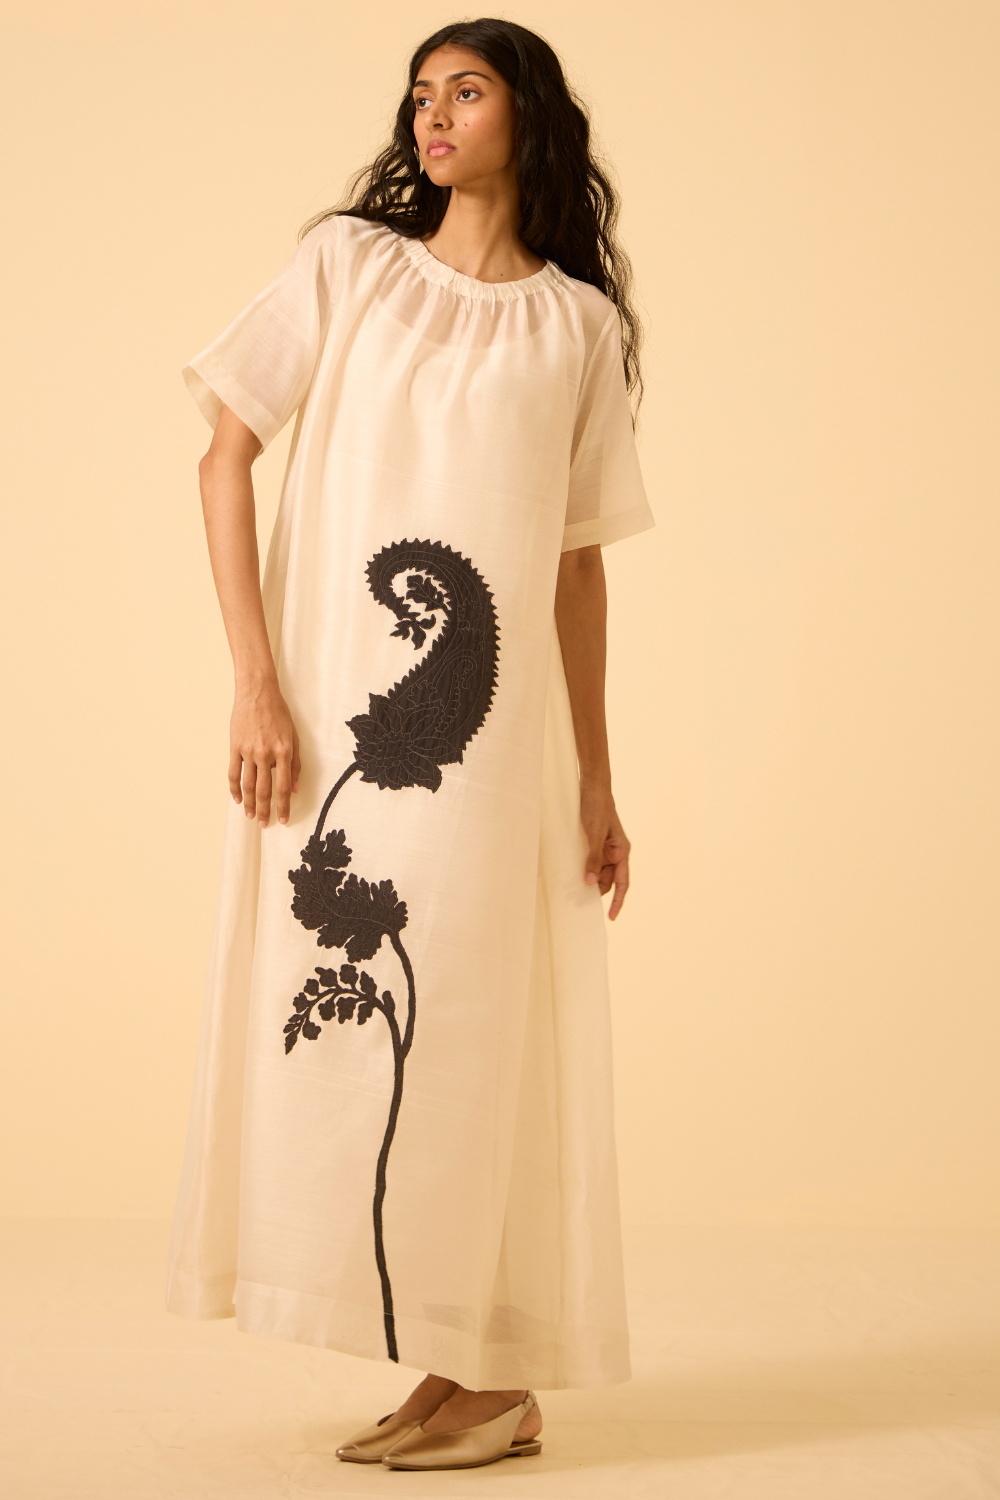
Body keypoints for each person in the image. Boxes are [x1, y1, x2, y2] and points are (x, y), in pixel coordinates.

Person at [167, 16, 654, 1473]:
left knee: (474, 1038)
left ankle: (488, 1378)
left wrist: (598, 779)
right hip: (339, 731)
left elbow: (576, 567)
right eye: (421, 95)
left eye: (468, 91)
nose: (435, 116)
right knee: (354, 1014)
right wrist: (255, 683)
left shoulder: (579, 327)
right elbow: (224, 452)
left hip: (493, 758)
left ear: (527, 116)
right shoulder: (350, 267)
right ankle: (455, 1369)